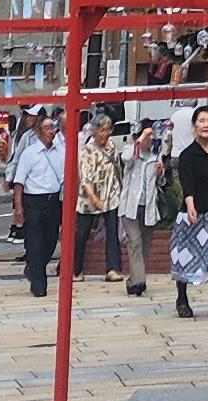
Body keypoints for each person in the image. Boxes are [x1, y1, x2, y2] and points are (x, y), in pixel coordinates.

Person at [168, 103, 208, 324]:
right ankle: (182, 299)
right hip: (194, 212)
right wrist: (190, 205)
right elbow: (187, 183)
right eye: (202, 121)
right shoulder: (188, 155)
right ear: (194, 126)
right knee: (186, 256)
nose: (206, 125)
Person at [11, 107, 67, 299]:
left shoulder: (60, 152)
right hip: (33, 201)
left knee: (50, 242)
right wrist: (18, 207)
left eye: (53, 127)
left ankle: (34, 268)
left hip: (53, 201)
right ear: (39, 131)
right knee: (35, 243)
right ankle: (39, 284)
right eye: (48, 128)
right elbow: (19, 182)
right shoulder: (29, 153)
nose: (52, 131)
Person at [75, 112, 124, 280]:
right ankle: (76, 269)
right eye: (102, 130)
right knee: (82, 233)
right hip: (89, 197)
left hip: (110, 194)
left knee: (112, 231)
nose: (105, 133)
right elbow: (84, 177)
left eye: (107, 130)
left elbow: (117, 169)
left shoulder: (112, 146)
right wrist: (93, 197)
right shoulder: (86, 150)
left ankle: (113, 268)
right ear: (95, 131)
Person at [118, 117, 164, 296]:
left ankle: (133, 280)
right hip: (130, 206)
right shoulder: (132, 151)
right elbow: (126, 159)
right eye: (147, 136)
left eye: (151, 136)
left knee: (144, 245)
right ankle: (140, 282)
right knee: (135, 242)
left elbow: (160, 183)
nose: (150, 139)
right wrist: (140, 139)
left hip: (148, 208)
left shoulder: (155, 156)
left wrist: (160, 173)